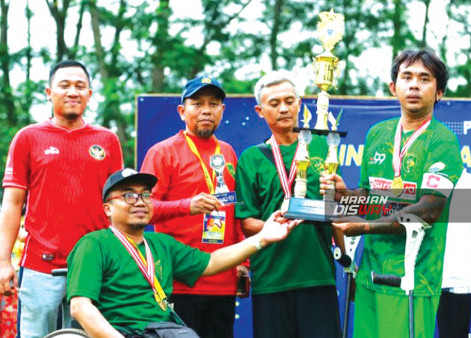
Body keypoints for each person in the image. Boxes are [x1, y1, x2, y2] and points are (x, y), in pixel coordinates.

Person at [321, 49, 463, 338]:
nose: (414, 85)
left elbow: (428, 210)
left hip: (415, 278)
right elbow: (368, 195)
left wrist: (362, 227)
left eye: (424, 79)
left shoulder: (443, 141)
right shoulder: (378, 133)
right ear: (392, 87)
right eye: (406, 77)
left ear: (439, 92)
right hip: (370, 277)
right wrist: (344, 194)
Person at [67, 168, 300, 337]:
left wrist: (262, 238)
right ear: (108, 208)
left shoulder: (161, 243)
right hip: (119, 331)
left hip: (163, 331)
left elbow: (211, 262)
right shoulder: (94, 243)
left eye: (146, 195)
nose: (140, 201)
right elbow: (80, 306)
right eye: (129, 195)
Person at [0, 60, 123, 337]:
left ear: (90, 94)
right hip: (39, 265)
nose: (72, 92)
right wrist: (3, 261)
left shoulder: (107, 140)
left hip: (94, 266)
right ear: (48, 92)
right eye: (64, 85)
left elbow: (118, 206)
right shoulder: (28, 138)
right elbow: (11, 203)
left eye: (80, 86)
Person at [235, 71, 342, 338]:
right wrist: (276, 228)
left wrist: (341, 194)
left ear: (299, 103)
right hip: (272, 279)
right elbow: (247, 222)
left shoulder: (322, 147)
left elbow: (338, 210)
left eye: (289, 100)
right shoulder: (251, 158)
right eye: (274, 103)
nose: (283, 108)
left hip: (318, 274)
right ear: (260, 111)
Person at [140, 76, 246, 338]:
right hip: (179, 280)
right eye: (197, 103)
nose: (206, 110)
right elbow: (141, 209)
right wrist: (187, 206)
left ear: (222, 110)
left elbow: (234, 212)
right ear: (182, 111)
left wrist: (242, 261)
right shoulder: (162, 152)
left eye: (213, 103)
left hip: (222, 280)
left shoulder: (229, 152)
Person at [437, 171, 471, 338]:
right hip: (422, 280)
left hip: (456, 279)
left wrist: (461, 253)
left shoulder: (470, 182)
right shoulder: (421, 179)